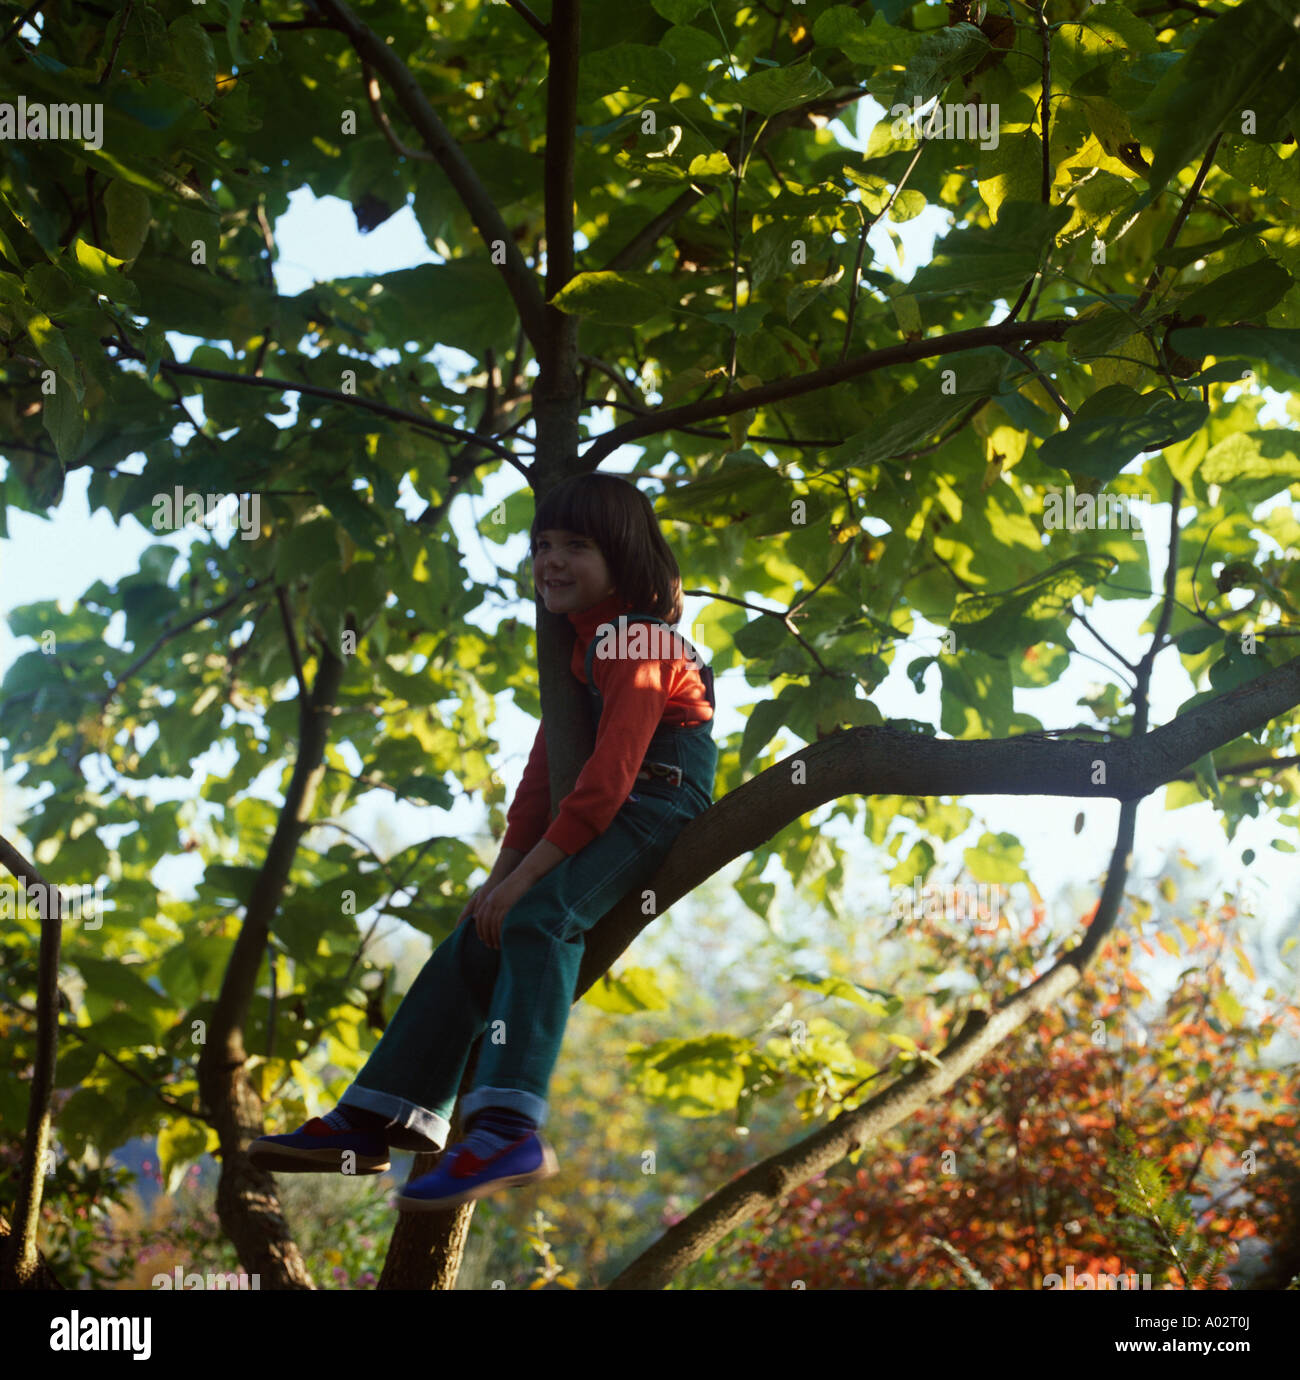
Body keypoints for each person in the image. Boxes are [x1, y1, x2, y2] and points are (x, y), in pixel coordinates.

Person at [248, 473, 718, 1210]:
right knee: (481, 929)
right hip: (615, 801)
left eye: (576, 546)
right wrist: (497, 880)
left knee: (542, 917)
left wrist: (526, 884)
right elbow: (540, 783)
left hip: (657, 799)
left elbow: (608, 782)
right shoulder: (580, 650)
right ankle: (373, 1118)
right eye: (542, 546)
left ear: (623, 556)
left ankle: (506, 1128)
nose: (551, 561)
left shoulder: (639, 641)